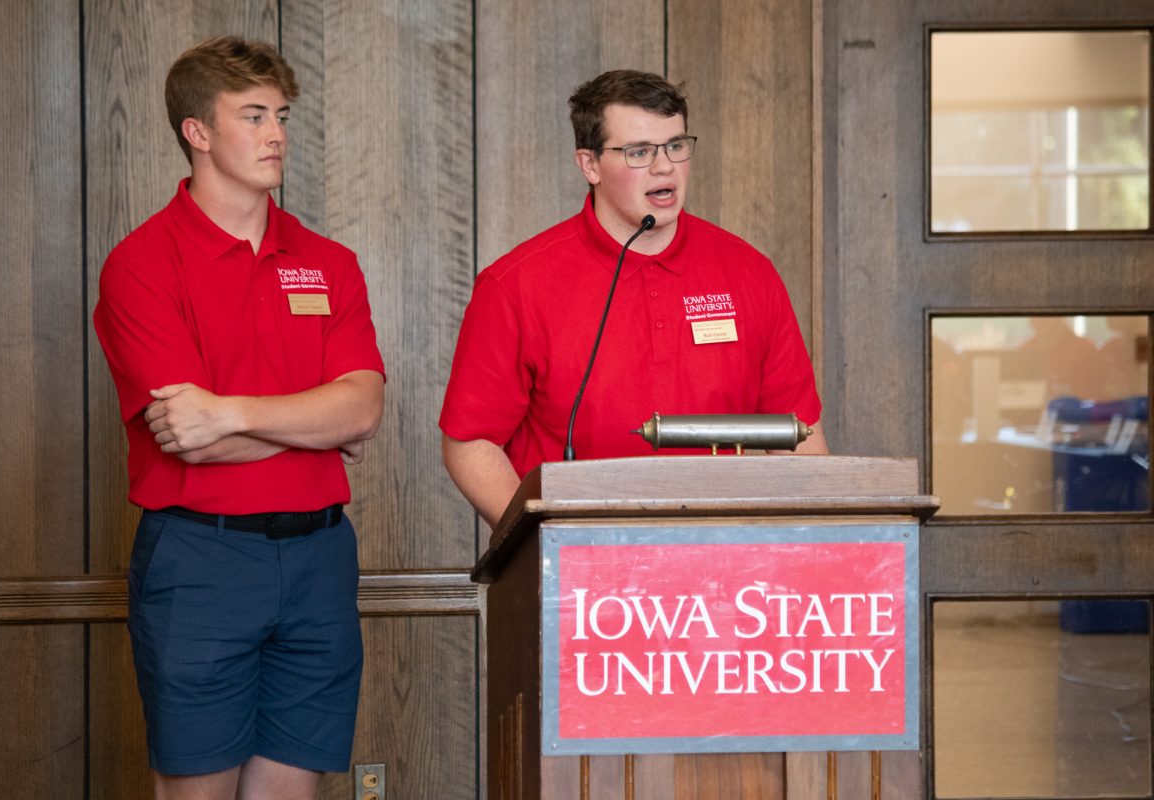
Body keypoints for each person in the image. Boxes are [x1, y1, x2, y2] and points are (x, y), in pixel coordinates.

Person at [93, 36, 384, 800]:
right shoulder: (142, 264)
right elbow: (187, 441)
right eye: (252, 115)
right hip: (201, 562)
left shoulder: (329, 263)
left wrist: (228, 412)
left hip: (321, 559)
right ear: (197, 131)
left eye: (281, 115)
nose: (276, 134)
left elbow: (363, 407)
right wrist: (313, 426)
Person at [440, 69, 827, 527]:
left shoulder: (749, 272)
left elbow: (799, 434)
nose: (665, 167)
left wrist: (813, 542)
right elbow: (470, 442)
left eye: (676, 146)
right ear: (589, 165)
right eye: (639, 152)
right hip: (579, 571)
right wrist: (539, 542)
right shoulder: (515, 285)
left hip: (728, 561)